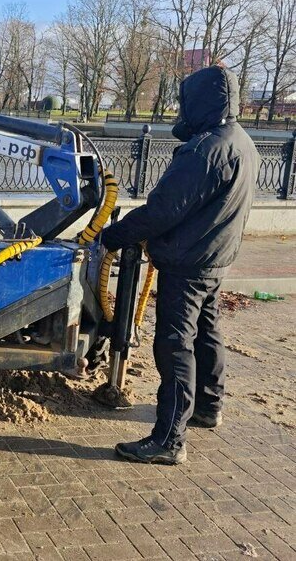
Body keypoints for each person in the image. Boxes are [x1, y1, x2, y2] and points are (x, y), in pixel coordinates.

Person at [100, 65, 260, 465]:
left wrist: (110, 236)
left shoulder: (204, 151)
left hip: (187, 264)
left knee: (174, 345)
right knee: (208, 334)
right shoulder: (242, 142)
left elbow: (162, 211)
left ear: (200, 102)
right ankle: (208, 406)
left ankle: (169, 440)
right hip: (216, 260)